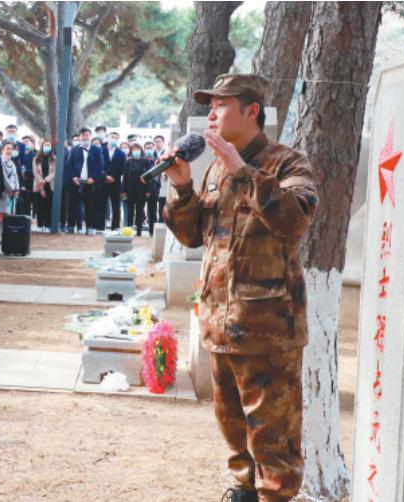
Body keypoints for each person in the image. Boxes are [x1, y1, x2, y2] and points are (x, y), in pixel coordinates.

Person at [164, 73, 318, 502]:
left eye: (221, 104)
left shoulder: (287, 164)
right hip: (219, 322)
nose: (211, 113)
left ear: (252, 111)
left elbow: (292, 219)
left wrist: (243, 171)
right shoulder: (213, 167)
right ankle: (242, 490)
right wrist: (181, 187)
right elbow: (195, 236)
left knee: (273, 437)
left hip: (266, 327)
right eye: (209, 105)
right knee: (233, 428)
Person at [67, 127, 105, 234]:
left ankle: (90, 227)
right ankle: (70, 226)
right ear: (79, 137)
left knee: (90, 206)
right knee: (72, 205)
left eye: (87, 135)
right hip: (76, 182)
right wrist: (74, 177)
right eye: (83, 135)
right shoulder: (74, 149)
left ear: (90, 136)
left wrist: (93, 178)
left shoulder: (97, 150)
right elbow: (69, 165)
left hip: (90, 182)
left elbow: (100, 166)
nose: (85, 137)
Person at [121, 143, 151, 237]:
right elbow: (125, 177)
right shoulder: (128, 162)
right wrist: (124, 191)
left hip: (142, 190)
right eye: (134, 149)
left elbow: (149, 177)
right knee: (130, 211)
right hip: (130, 189)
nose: (136, 151)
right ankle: (129, 230)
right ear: (131, 151)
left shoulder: (145, 161)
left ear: (141, 151)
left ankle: (139, 231)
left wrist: (148, 190)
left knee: (140, 210)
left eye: (137, 149)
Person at [102, 131, 127, 230]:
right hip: (103, 182)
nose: (114, 139)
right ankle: (100, 225)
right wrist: (104, 176)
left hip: (115, 183)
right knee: (101, 204)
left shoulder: (121, 153)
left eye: (116, 138)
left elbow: (122, 168)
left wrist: (113, 177)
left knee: (116, 206)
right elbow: (98, 165)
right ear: (108, 138)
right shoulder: (101, 150)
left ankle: (115, 226)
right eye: (112, 137)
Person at [0, 141, 19, 238]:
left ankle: (7, 234)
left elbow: (15, 177)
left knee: (10, 213)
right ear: (2, 149)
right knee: (1, 213)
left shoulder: (12, 163)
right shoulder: (0, 161)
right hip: (4, 191)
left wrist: (16, 190)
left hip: (12, 192)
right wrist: (10, 188)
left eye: (11, 148)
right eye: (7, 148)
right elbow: (3, 177)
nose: (9, 151)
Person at [33, 139, 55, 229]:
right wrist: (41, 183)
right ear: (42, 146)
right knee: (40, 205)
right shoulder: (36, 159)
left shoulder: (54, 159)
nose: (47, 147)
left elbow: (54, 172)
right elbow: (35, 172)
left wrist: (45, 180)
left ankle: (48, 224)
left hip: (50, 184)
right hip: (38, 184)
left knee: (49, 205)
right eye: (45, 145)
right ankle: (40, 224)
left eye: (49, 145)